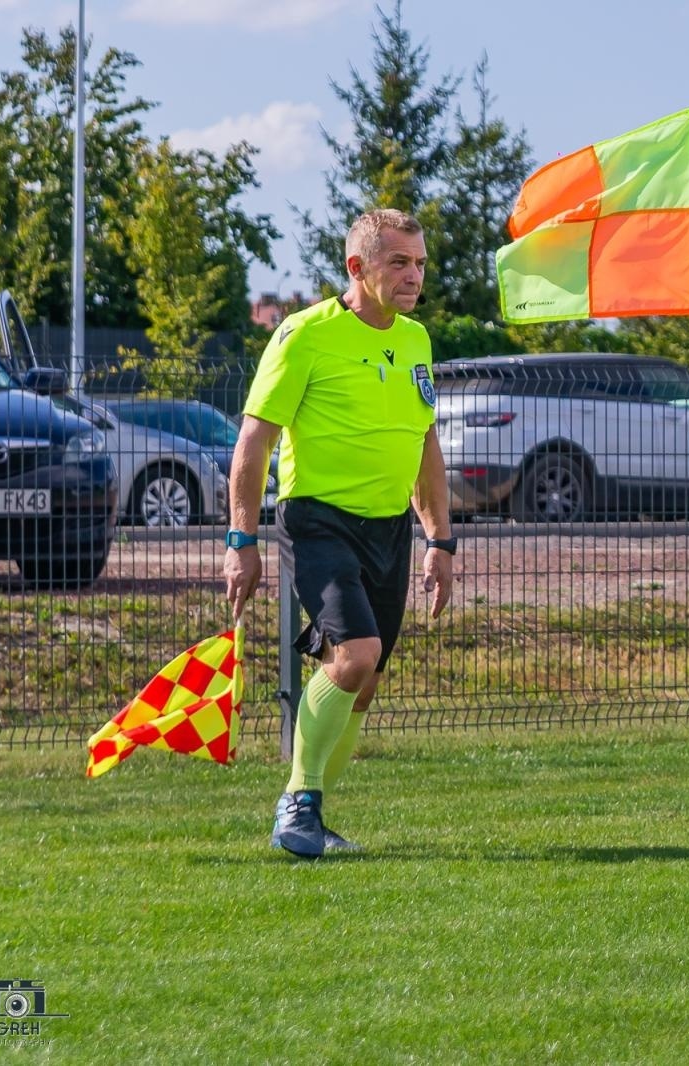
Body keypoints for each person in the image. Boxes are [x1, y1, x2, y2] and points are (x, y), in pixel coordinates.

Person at [224, 208, 455, 858]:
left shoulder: (415, 340)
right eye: (399, 263)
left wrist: (439, 540)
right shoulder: (302, 336)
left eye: (419, 264)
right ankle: (297, 803)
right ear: (358, 268)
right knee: (355, 656)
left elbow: (424, 443)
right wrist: (241, 544)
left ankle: (311, 812)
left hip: (388, 530)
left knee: (367, 672)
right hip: (316, 520)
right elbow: (253, 442)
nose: (414, 276)